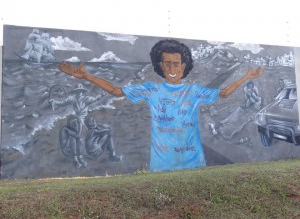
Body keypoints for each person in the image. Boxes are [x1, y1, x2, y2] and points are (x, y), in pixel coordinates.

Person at [58, 39, 264, 171]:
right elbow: (115, 91)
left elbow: (225, 93)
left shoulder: (193, 91)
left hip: (194, 164)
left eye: (176, 63)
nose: (172, 68)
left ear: (184, 66)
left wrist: (247, 77)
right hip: (161, 166)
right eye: (167, 63)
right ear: (160, 66)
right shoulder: (151, 90)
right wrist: (86, 76)